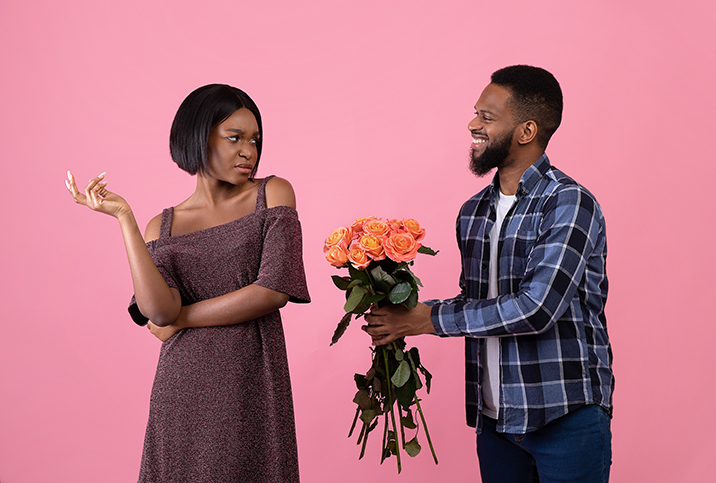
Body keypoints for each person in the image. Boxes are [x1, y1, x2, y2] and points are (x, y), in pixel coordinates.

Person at [363, 65, 614, 483]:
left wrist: (427, 318)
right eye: (475, 113)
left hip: (566, 416)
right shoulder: (473, 211)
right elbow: (475, 303)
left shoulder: (569, 203)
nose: (472, 124)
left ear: (526, 130)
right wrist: (399, 309)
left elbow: (536, 308)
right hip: (495, 422)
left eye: (487, 117)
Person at [65, 84, 310, 482]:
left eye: (254, 140)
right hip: (181, 391)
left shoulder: (273, 194)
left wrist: (182, 320)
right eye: (234, 138)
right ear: (198, 137)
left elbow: (272, 290)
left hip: (250, 381)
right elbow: (159, 312)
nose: (248, 150)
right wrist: (125, 217)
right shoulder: (161, 227)